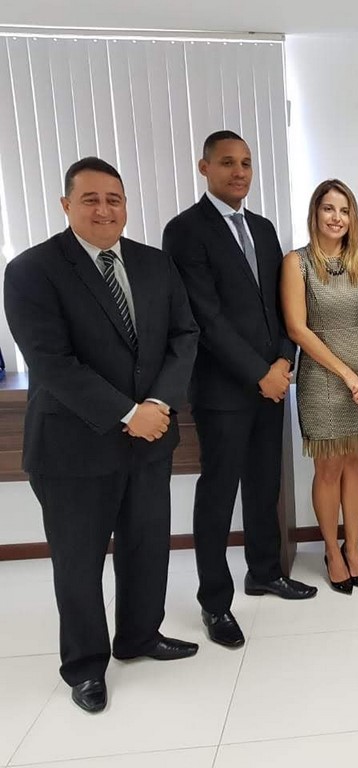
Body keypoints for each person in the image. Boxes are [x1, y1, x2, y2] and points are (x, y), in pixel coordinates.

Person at [3, 157, 200, 713]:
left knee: (146, 546)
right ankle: (86, 666)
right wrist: (126, 412)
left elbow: (184, 336)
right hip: (74, 446)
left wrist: (156, 404)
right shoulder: (32, 270)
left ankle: (139, 636)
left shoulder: (155, 264)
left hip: (150, 439)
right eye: (90, 199)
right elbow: (51, 362)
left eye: (114, 199)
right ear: (66, 205)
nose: (104, 209)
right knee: (79, 562)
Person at [163, 130, 316, 650]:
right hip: (223, 390)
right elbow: (205, 317)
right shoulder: (184, 231)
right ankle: (215, 602)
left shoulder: (263, 228)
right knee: (218, 493)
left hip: (272, 381)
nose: (239, 172)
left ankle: (264, 572)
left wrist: (283, 362)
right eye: (227, 162)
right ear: (204, 167)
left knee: (264, 484)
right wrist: (259, 373)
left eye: (246, 162)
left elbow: (282, 305)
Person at [281, 180, 358, 592]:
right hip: (324, 379)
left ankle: (353, 548)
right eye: (329, 208)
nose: (337, 217)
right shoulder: (297, 263)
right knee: (328, 468)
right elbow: (297, 328)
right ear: (315, 213)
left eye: (344, 210)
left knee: (356, 464)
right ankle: (331, 550)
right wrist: (346, 374)